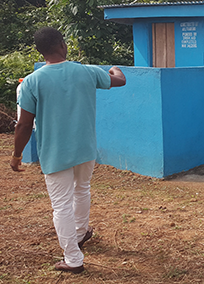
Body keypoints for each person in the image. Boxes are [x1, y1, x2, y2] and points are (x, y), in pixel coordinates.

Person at [11, 27, 126, 274]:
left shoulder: (33, 81)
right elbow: (119, 80)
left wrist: (17, 155)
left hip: (55, 153)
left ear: (40, 51)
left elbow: (23, 124)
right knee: (82, 189)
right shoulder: (87, 71)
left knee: (61, 205)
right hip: (85, 149)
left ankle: (73, 258)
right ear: (63, 45)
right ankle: (80, 233)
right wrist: (115, 67)